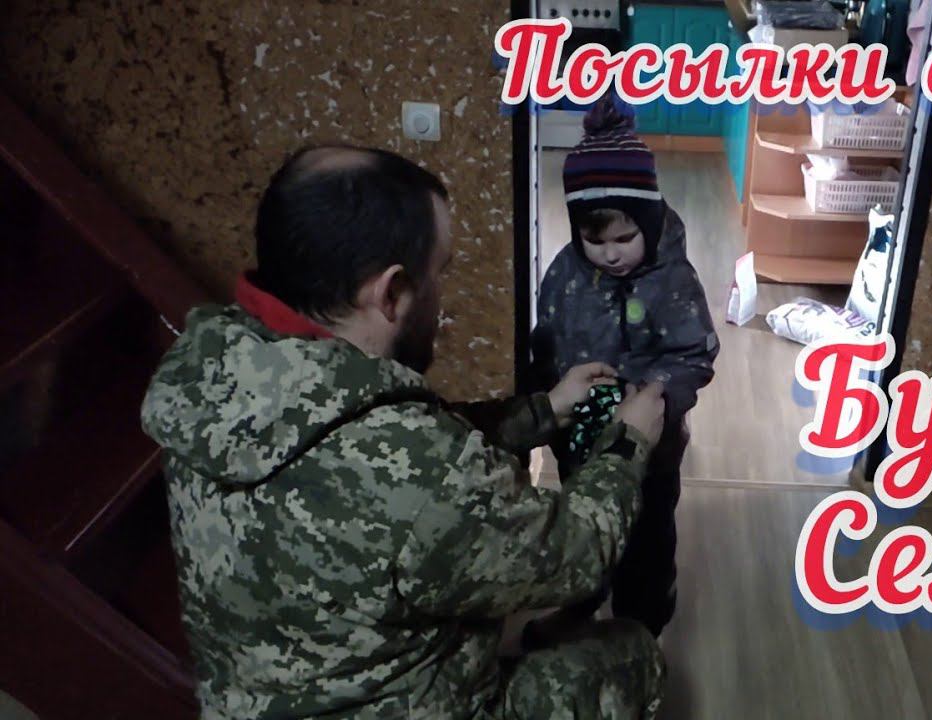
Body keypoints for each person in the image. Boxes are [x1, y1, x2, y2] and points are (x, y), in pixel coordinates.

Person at [140, 145, 668, 719]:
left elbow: (389, 450)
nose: (441, 296)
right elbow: (579, 552)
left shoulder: (215, 370)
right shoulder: (426, 476)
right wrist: (627, 442)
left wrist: (542, 411)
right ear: (390, 293)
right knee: (630, 654)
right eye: (438, 273)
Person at [527, 96, 719, 646]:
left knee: (646, 537)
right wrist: (547, 399)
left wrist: (657, 396)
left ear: (650, 223)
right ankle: (582, 607)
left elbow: (694, 354)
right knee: (582, 527)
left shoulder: (672, 280)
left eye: (623, 239)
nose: (610, 254)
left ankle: (639, 627)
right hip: (580, 442)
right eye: (595, 241)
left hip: (650, 443)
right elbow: (547, 340)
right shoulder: (565, 273)